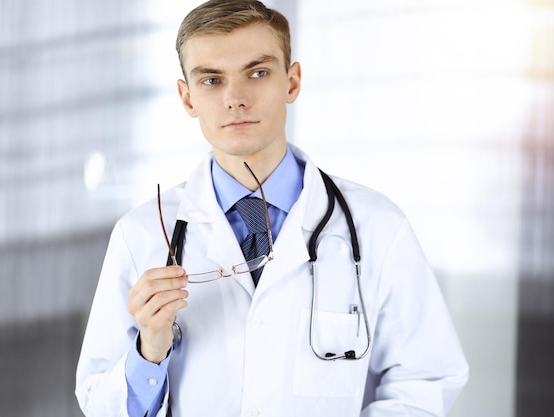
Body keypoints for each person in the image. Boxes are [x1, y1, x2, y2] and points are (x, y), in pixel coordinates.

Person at [75, 1, 468, 416]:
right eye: (211, 80)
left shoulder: (378, 228)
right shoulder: (141, 236)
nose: (235, 99)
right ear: (186, 97)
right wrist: (150, 348)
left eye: (257, 73)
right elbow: (102, 404)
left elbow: (425, 380)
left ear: (292, 82)